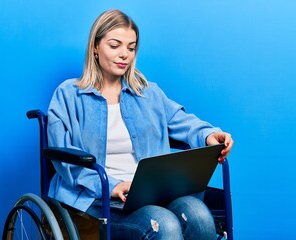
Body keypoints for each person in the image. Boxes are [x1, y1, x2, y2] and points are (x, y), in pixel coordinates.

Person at [47, 9, 234, 240]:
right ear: (95, 47)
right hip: (96, 198)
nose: (124, 54)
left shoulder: (147, 93)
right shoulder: (68, 95)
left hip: (152, 194)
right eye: (115, 45)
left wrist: (209, 135)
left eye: (131, 47)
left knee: (199, 217)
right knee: (164, 225)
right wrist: (113, 186)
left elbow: (182, 120)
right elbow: (64, 157)